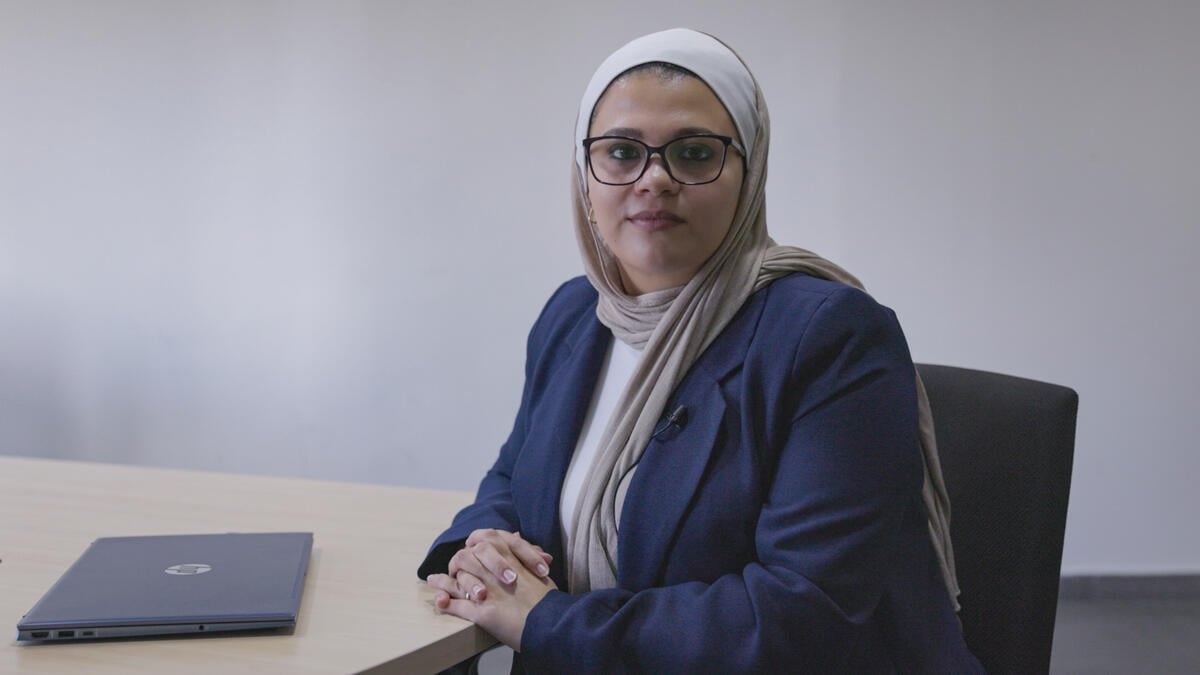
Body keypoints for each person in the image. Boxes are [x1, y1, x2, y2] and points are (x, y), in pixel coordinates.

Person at [419, 28, 983, 673]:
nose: (654, 179)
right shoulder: (572, 314)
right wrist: (471, 549)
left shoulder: (830, 336)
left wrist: (553, 623)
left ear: (750, 172)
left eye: (693, 153)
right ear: (585, 176)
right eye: (622, 153)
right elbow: (515, 478)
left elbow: (804, 609)